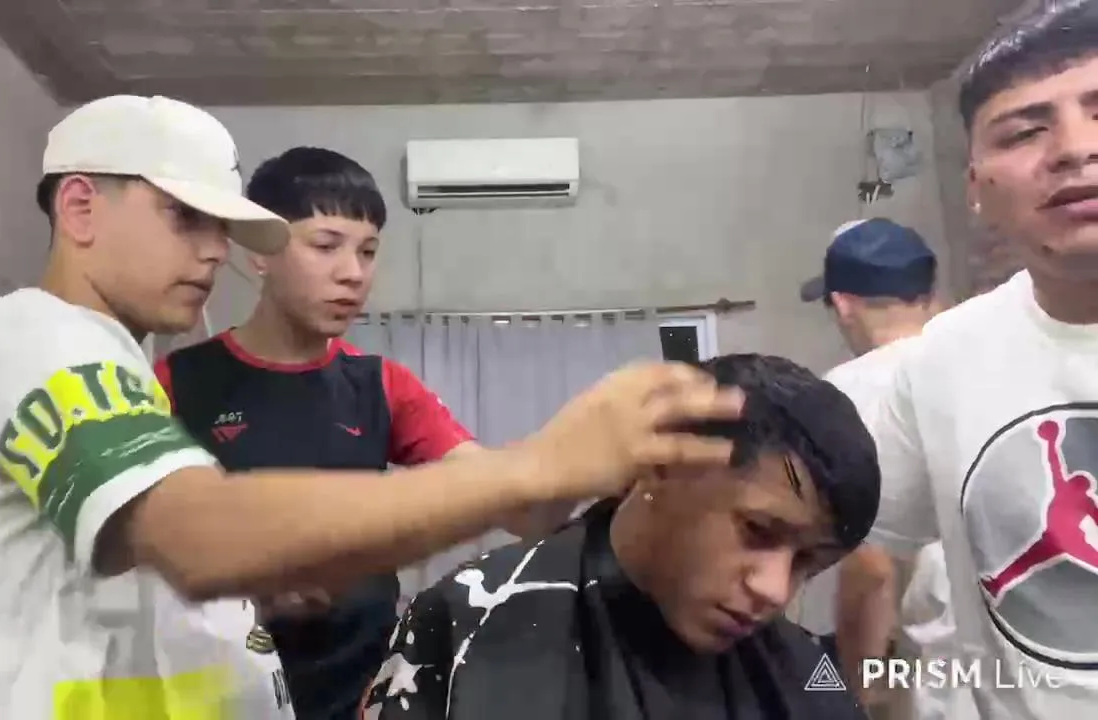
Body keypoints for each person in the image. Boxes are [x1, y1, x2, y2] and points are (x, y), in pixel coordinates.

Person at [0, 95, 744, 720]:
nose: (213, 252)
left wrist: (246, 599)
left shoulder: (119, 366)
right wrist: (539, 465)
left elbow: (134, 577)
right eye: (185, 218)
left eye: (222, 228)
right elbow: (193, 534)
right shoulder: (30, 339)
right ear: (81, 206)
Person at [155, 146, 573, 720]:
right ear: (260, 252)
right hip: (218, 696)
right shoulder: (175, 383)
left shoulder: (382, 385)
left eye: (368, 251)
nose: (353, 273)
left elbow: (503, 498)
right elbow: (136, 557)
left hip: (365, 696)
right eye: (326, 245)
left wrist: (578, 470)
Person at [361, 354, 882, 720]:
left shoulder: (805, 673)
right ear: (663, 465)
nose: (774, 590)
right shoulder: (469, 621)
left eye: (809, 563)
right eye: (758, 531)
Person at [861, 2, 1098, 717]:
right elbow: (863, 551)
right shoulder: (939, 362)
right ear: (975, 188)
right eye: (1025, 131)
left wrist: (864, 682)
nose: (1074, 148)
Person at [796, 218, 968, 719]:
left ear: (843, 304)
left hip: (937, 674)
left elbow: (871, 565)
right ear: (927, 294)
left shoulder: (841, 397)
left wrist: (860, 689)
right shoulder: (983, 359)